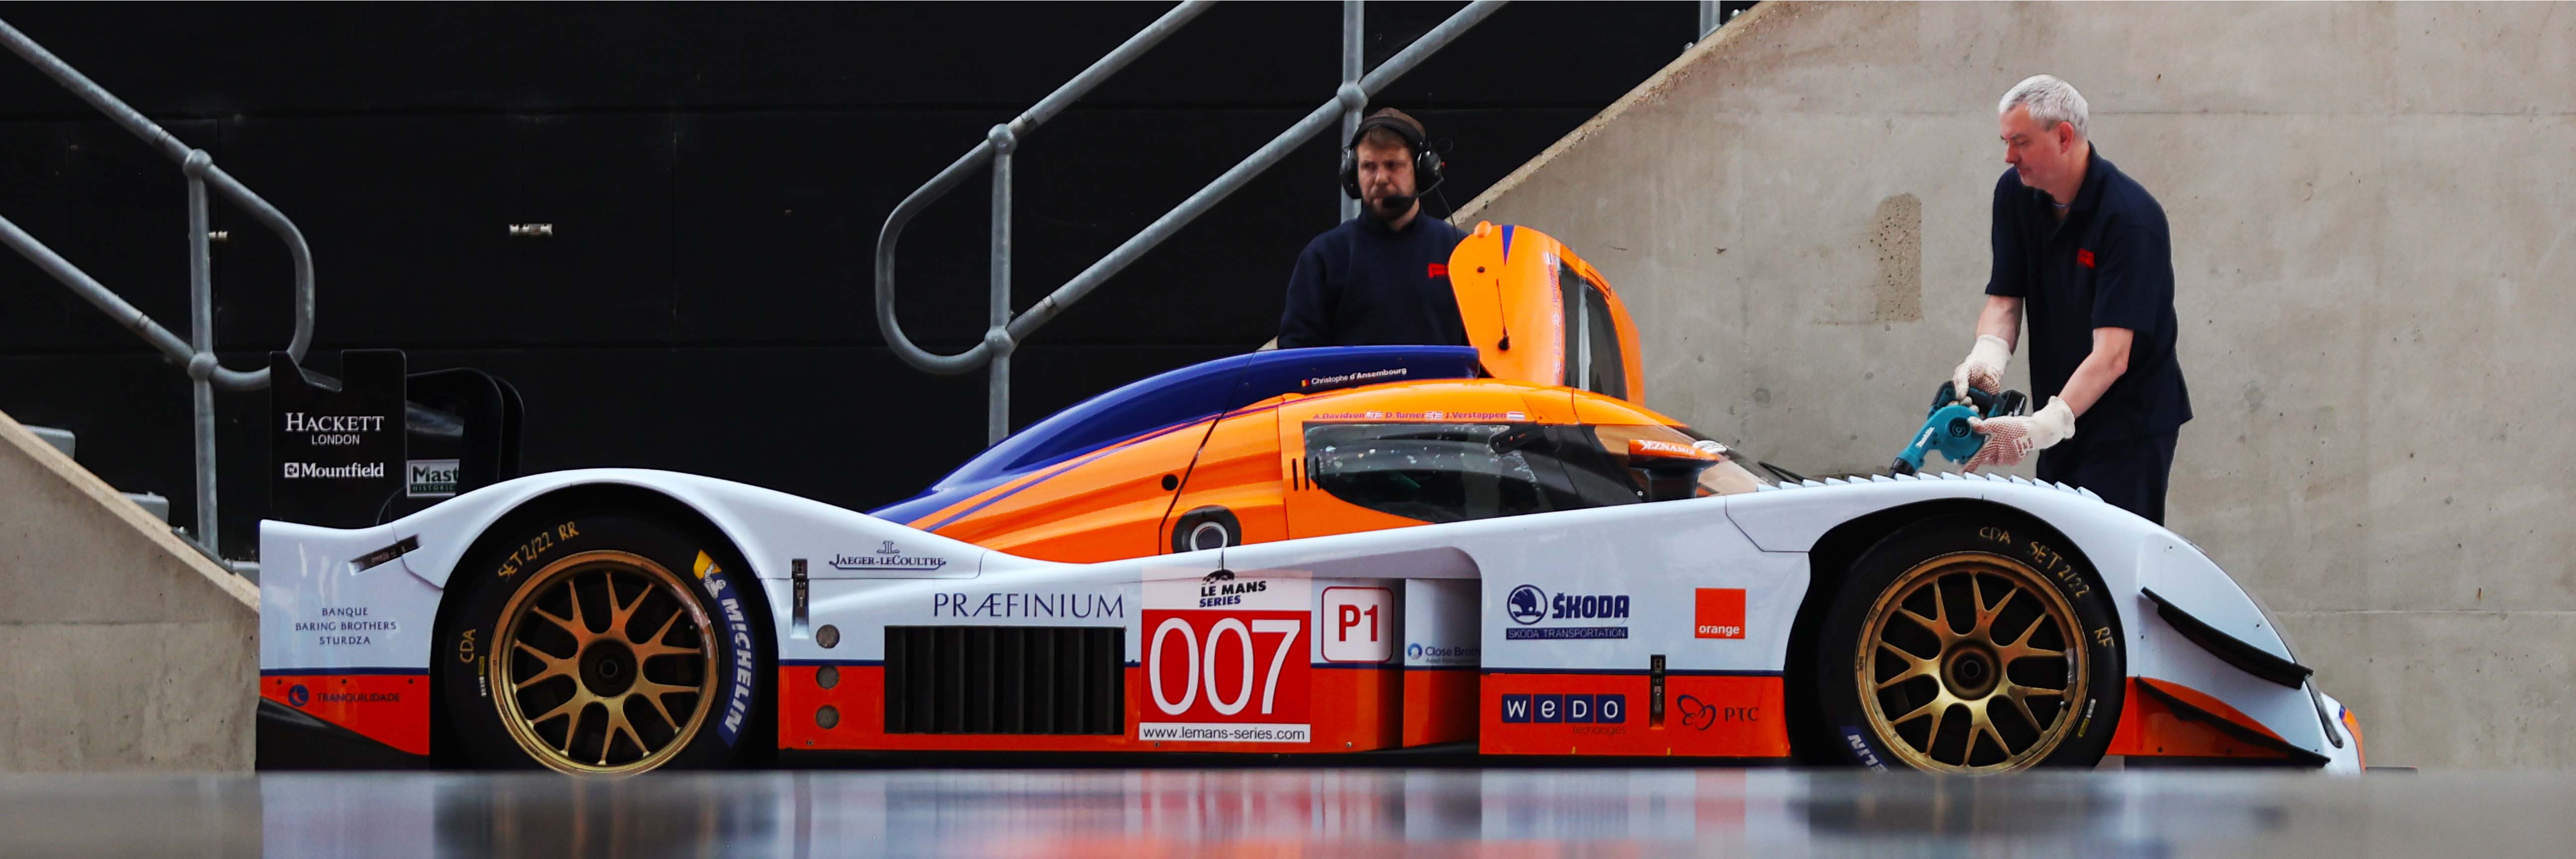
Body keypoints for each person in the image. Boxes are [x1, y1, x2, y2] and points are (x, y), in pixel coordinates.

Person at [1951, 75, 2192, 524]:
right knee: (2058, 556)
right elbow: (2005, 300)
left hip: (2128, 424)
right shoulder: (2015, 195)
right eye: (2005, 141)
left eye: (2020, 142)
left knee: (2110, 559)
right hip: (2061, 408)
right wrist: (1987, 357)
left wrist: (2040, 428)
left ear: (2063, 136)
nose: (2008, 157)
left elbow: (2113, 356)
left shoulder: (2130, 219)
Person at [1275, 108, 1468, 349]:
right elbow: (1297, 353)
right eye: (1369, 167)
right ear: (1352, 173)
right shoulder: (1325, 256)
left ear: (1422, 171)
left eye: (1393, 165)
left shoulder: (1462, 253)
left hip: (1445, 389)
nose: (1380, 178)